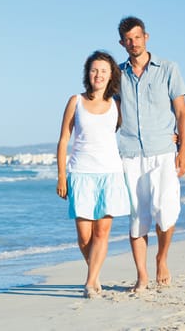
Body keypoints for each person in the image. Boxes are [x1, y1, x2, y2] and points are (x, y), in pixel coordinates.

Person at [116, 16, 185, 292]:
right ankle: (142, 275)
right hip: (130, 154)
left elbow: (181, 112)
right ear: (121, 43)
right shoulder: (117, 74)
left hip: (163, 152)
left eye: (137, 37)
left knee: (166, 210)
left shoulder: (168, 69)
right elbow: (112, 113)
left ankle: (162, 258)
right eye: (127, 39)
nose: (133, 43)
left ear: (146, 37)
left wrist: (183, 150)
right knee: (137, 216)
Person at [56, 50, 130, 298]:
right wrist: (61, 176)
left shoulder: (116, 105)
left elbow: (136, 131)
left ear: (111, 76)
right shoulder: (75, 101)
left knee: (102, 233)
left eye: (104, 71)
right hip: (81, 173)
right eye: (94, 70)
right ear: (88, 73)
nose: (98, 75)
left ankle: (90, 282)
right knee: (84, 236)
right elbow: (64, 139)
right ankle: (95, 275)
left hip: (110, 173)